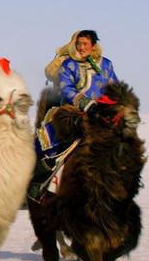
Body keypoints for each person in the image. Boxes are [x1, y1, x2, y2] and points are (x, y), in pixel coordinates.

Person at [32, 30, 118, 199]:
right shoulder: (69, 65)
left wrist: (115, 104)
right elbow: (66, 87)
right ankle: (39, 183)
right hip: (73, 111)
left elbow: (113, 87)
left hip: (100, 114)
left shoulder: (106, 65)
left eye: (85, 44)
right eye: (78, 44)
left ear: (93, 46)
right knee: (60, 144)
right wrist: (82, 101)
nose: (81, 47)